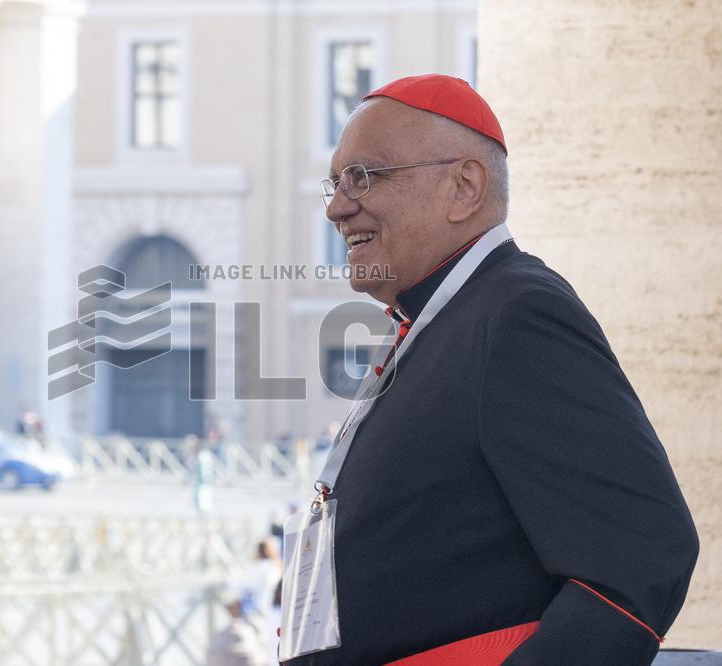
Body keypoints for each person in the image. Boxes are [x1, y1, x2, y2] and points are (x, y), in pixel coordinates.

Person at [283, 74, 699, 665]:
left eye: (364, 177)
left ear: (464, 187)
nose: (336, 206)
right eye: (336, 182)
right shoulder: (443, 317)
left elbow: (644, 557)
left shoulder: (518, 313)